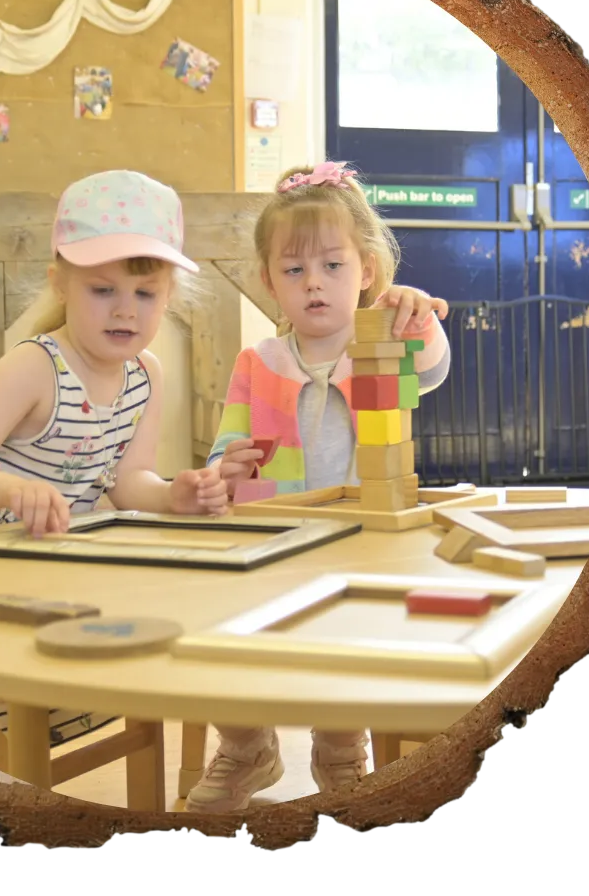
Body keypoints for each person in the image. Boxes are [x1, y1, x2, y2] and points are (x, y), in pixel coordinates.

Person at [0, 169, 228, 746]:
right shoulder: (34, 368)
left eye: (145, 294)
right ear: (60, 286)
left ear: (168, 298)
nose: (126, 311)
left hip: (29, 567)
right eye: (103, 290)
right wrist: (9, 491)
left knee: (137, 638)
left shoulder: (147, 375)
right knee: (58, 672)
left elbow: (129, 483)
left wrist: (174, 494)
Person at [184, 160, 452, 813]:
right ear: (269, 282)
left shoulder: (380, 342)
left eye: (332, 266)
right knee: (227, 629)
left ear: (367, 271)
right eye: (295, 270)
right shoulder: (260, 361)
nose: (314, 284)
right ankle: (247, 744)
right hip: (273, 535)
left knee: (347, 641)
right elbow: (226, 443)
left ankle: (340, 752)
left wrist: (419, 318)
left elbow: (435, 369)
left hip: (364, 538)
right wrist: (225, 468)